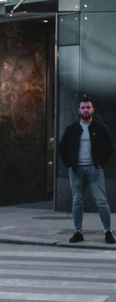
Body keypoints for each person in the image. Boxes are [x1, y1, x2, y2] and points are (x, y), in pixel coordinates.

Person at [59, 98, 115, 244]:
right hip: (76, 170)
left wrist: (100, 164)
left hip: (94, 170)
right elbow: (61, 148)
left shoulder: (100, 128)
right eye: (83, 108)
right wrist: (69, 165)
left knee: (102, 201)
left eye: (88, 107)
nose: (85, 110)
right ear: (79, 110)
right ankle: (78, 232)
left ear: (92, 110)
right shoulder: (72, 129)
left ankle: (108, 232)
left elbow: (109, 148)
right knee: (77, 201)